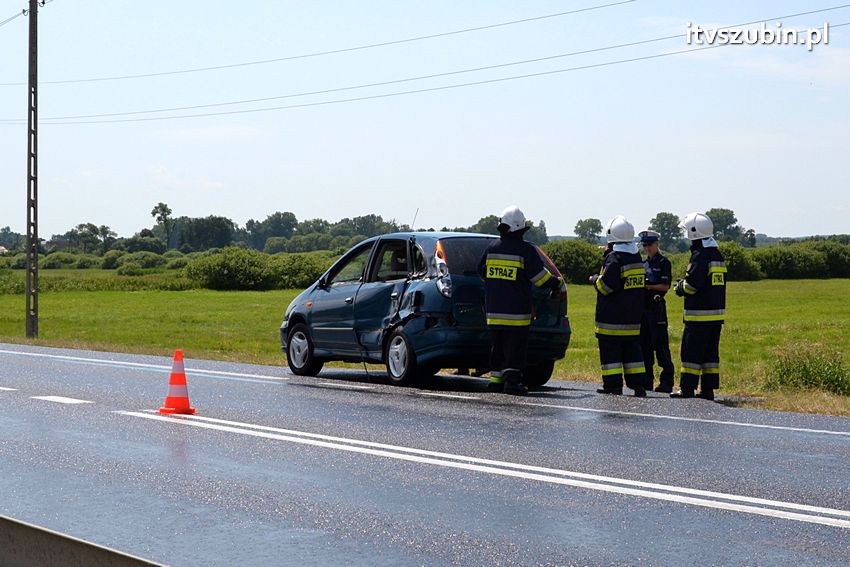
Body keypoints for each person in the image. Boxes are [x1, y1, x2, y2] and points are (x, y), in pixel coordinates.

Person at [478, 205, 561, 395]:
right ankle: (512, 383)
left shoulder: (491, 248)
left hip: (494, 311)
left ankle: (496, 381)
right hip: (516, 313)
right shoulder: (525, 250)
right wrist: (554, 283)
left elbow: (481, 271)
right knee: (515, 349)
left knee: (497, 348)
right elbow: (539, 278)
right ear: (520, 229)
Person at [589, 216, 647, 397]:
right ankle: (639, 386)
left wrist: (594, 280)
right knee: (633, 355)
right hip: (632, 319)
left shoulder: (614, 259)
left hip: (612, 320)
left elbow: (605, 287)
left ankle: (613, 386)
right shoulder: (636, 257)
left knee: (611, 356)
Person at [672, 212, 727, 400]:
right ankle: (708, 389)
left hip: (698, 316)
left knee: (691, 354)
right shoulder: (716, 253)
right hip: (715, 316)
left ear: (693, 233)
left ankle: (687, 389)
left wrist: (679, 287)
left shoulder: (700, 255)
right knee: (710, 356)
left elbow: (693, 285)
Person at [638, 230, 675, 393]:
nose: (647, 248)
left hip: (657, 309)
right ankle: (647, 381)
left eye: (650, 245)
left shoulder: (664, 262)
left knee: (661, 347)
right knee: (645, 347)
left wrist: (648, 286)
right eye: (644, 245)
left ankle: (667, 382)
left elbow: (665, 286)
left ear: (657, 245)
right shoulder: (643, 264)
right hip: (644, 310)